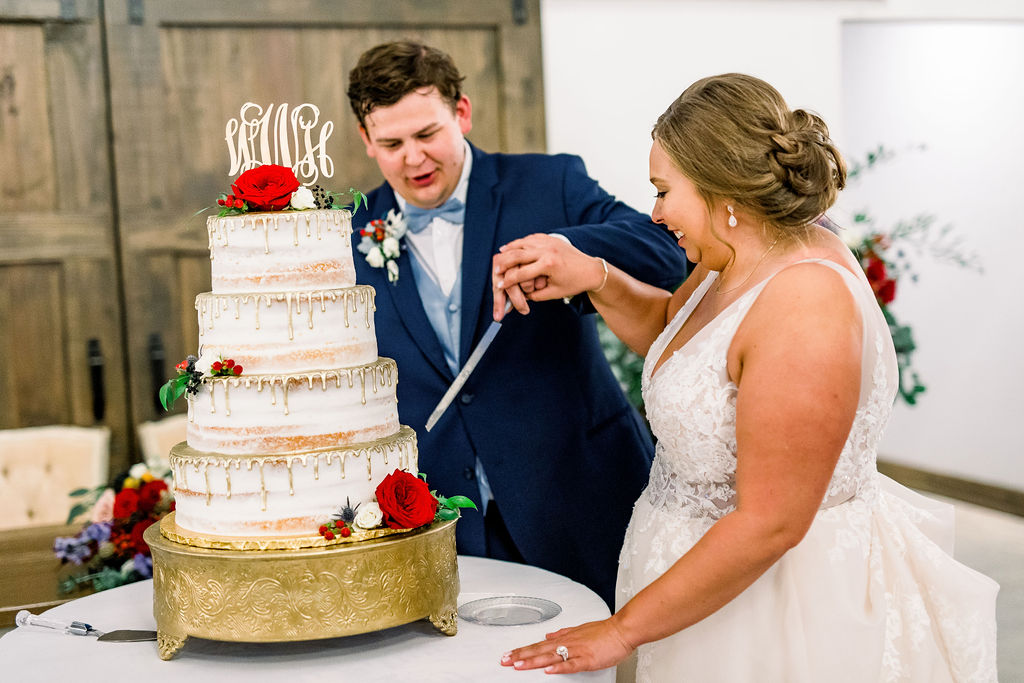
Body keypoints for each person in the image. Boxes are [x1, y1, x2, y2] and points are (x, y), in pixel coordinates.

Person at [494, 74, 998, 681]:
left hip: (777, 610)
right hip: (690, 591)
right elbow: (682, 343)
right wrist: (597, 277)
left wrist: (621, 631)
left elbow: (771, 522)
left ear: (719, 190)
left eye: (662, 191)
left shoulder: (806, 300)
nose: (655, 214)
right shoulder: (733, 256)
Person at [345, 41, 686, 606]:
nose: (412, 159)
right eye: (391, 143)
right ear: (366, 140)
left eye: (427, 134)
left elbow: (667, 252)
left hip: (580, 495)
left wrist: (569, 252)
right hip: (443, 521)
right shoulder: (346, 232)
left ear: (462, 114)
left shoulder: (550, 183)